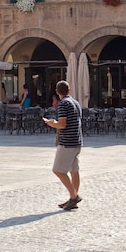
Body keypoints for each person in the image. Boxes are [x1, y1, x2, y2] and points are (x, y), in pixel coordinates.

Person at [43, 80, 82, 210]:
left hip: (67, 142)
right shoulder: (75, 103)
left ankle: (74, 196)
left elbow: (62, 124)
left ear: (57, 92)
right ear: (69, 90)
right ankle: (73, 200)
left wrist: (51, 123)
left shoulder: (63, 104)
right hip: (77, 140)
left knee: (58, 170)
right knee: (74, 171)